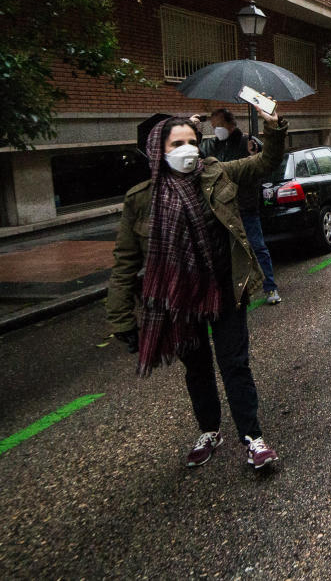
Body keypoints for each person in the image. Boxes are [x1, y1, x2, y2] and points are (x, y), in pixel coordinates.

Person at [106, 111, 287, 469]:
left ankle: (253, 438)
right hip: (179, 299)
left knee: (234, 364)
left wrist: (273, 126)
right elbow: (125, 262)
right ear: (158, 150)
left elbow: (266, 162)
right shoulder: (141, 199)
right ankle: (209, 430)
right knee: (198, 369)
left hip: (225, 291)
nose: (187, 149)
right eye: (177, 143)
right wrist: (121, 318)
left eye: (192, 141)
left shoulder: (217, 173)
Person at [194, 108, 280, 305]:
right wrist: (195, 132)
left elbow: (262, 165)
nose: (216, 130)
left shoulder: (245, 143)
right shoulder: (213, 146)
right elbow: (198, 158)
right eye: (213, 127)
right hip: (223, 209)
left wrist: (255, 150)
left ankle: (270, 287)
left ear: (230, 125)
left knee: (257, 247)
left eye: (219, 126)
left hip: (245, 205)